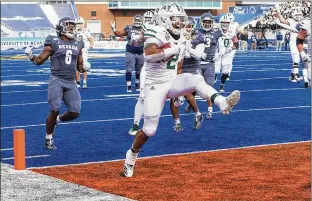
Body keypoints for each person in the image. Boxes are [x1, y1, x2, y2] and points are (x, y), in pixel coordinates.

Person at [121, 3, 241, 178]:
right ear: (164, 19)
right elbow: (150, 54)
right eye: (174, 19)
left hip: (171, 80)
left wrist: (178, 87)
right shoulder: (156, 31)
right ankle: (130, 158)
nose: (179, 22)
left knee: (195, 79)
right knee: (149, 130)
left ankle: (222, 103)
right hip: (155, 85)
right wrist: (173, 47)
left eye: (180, 19)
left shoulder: (183, 34)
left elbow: (178, 62)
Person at [24, 17, 89, 150]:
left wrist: (84, 68)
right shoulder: (53, 41)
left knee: (75, 113)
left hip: (70, 81)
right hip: (57, 80)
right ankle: (48, 138)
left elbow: (79, 66)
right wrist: (31, 56)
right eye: (69, 25)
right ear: (61, 27)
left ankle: (57, 121)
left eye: (73, 25)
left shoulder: (78, 43)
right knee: (55, 109)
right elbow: (40, 61)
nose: (72, 28)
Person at [169, 16, 204, 132]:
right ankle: (177, 122)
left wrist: (188, 48)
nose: (186, 28)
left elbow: (197, 55)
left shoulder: (198, 37)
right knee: (173, 96)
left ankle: (198, 114)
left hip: (191, 69)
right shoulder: (177, 35)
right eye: (185, 26)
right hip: (177, 68)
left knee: (188, 94)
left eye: (189, 26)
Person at [111, 15, 145, 92]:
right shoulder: (129, 28)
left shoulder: (144, 29)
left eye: (139, 21)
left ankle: (137, 83)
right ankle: (129, 86)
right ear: (133, 20)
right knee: (129, 68)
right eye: (136, 20)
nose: (137, 22)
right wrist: (113, 28)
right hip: (130, 51)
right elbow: (119, 34)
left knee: (139, 70)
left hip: (140, 51)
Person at [275, 6, 303, 82]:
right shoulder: (291, 21)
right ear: (293, 15)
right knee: (296, 59)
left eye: (300, 15)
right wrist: (278, 12)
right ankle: (296, 75)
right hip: (294, 42)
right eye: (297, 15)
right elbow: (282, 20)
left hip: (302, 42)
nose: (299, 17)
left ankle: (292, 76)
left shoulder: (304, 21)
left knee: (299, 60)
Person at [214, 14, 239, 93]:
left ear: (229, 23)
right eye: (223, 23)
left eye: (226, 23)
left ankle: (222, 84)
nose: (225, 24)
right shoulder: (216, 30)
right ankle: (213, 80)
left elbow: (236, 44)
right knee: (215, 70)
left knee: (225, 71)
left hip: (227, 53)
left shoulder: (232, 31)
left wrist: (230, 49)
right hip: (217, 52)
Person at [75, 17, 94, 88]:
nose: (79, 25)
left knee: (84, 66)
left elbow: (91, 38)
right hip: (75, 50)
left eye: (80, 23)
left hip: (83, 50)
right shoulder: (73, 31)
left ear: (83, 24)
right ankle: (78, 81)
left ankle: (85, 81)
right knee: (76, 66)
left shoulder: (85, 31)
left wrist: (91, 44)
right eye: (77, 23)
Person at [296, 12, 311, 88]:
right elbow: (299, 40)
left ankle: (306, 80)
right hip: (307, 52)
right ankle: (306, 80)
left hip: (305, 49)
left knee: (305, 67)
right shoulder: (306, 26)